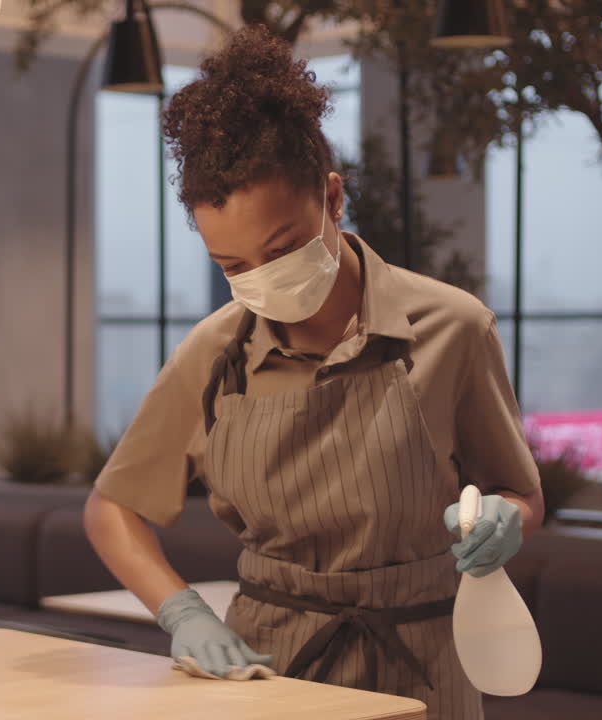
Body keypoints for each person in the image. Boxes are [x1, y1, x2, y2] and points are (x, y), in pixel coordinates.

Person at [85, 27, 543, 719]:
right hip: (268, 669)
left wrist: (506, 521)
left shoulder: (454, 328)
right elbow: (111, 507)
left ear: (332, 198)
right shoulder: (215, 354)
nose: (263, 278)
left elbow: (519, 491)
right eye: (232, 266)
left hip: (424, 664)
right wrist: (183, 614)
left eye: (283, 247)